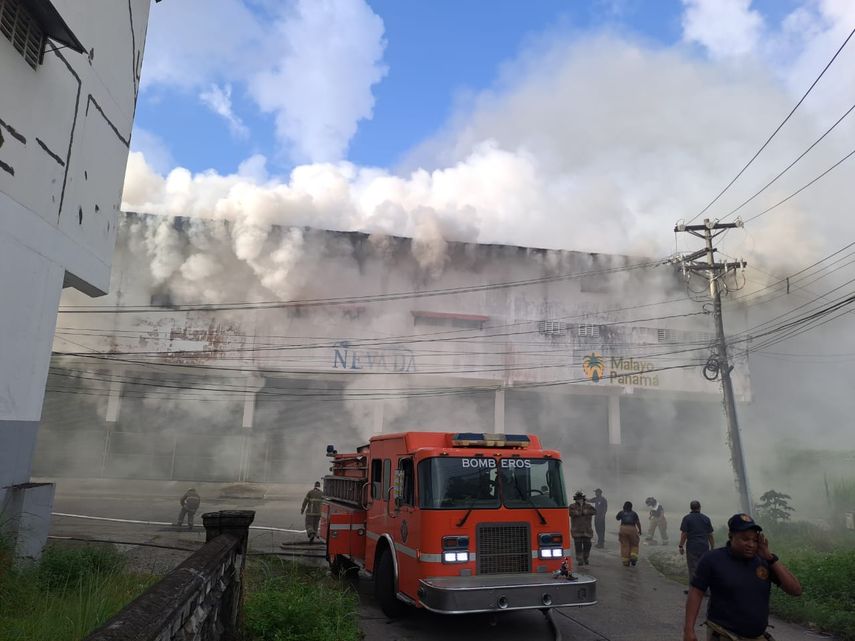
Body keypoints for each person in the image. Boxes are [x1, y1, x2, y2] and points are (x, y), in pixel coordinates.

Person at [683, 513, 802, 641]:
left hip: (757, 636)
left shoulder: (764, 561)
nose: (751, 544)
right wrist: (689, 630)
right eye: (745, 539)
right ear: (731, 536)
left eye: (755, 540)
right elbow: (696, 592)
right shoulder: (712, 559)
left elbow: (795, 590)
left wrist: (770, 558)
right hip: (724, 633)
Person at [679, 500, 715, 591]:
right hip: (704, 546)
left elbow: (684, 534)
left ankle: (694, 590)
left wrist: (681, 546)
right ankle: (705, 589)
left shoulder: (687, 518)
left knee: (693, 568)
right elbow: (710, 534)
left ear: (691, 508)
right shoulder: (706, 518)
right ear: (700, 507)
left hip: (692, 547)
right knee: (704, 568)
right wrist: (712, 546)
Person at [568, 491, 597, 566]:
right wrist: (579, 512)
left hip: (587, 530)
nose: (579, 500)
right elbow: (570, 513)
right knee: (578, 546)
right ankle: (580, 559)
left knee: (588, 545)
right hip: (576, 530)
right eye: (578, 499)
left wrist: (587, 511)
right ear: (575, 499)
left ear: (583, 499)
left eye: (580, 498)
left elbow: (595, 511)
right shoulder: (572, 506)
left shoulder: (588, 506)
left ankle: (586, 558)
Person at [615, 501, 643, 567]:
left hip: (623, 529)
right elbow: (638, 523)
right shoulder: (634, 513)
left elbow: (617, 518)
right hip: (632, 529)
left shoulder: (621, 512)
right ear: (631, 507)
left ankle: (625, 562)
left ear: (624, 507)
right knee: (634, 544)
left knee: (624, 545)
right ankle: (633, 557)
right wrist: (640, 530)